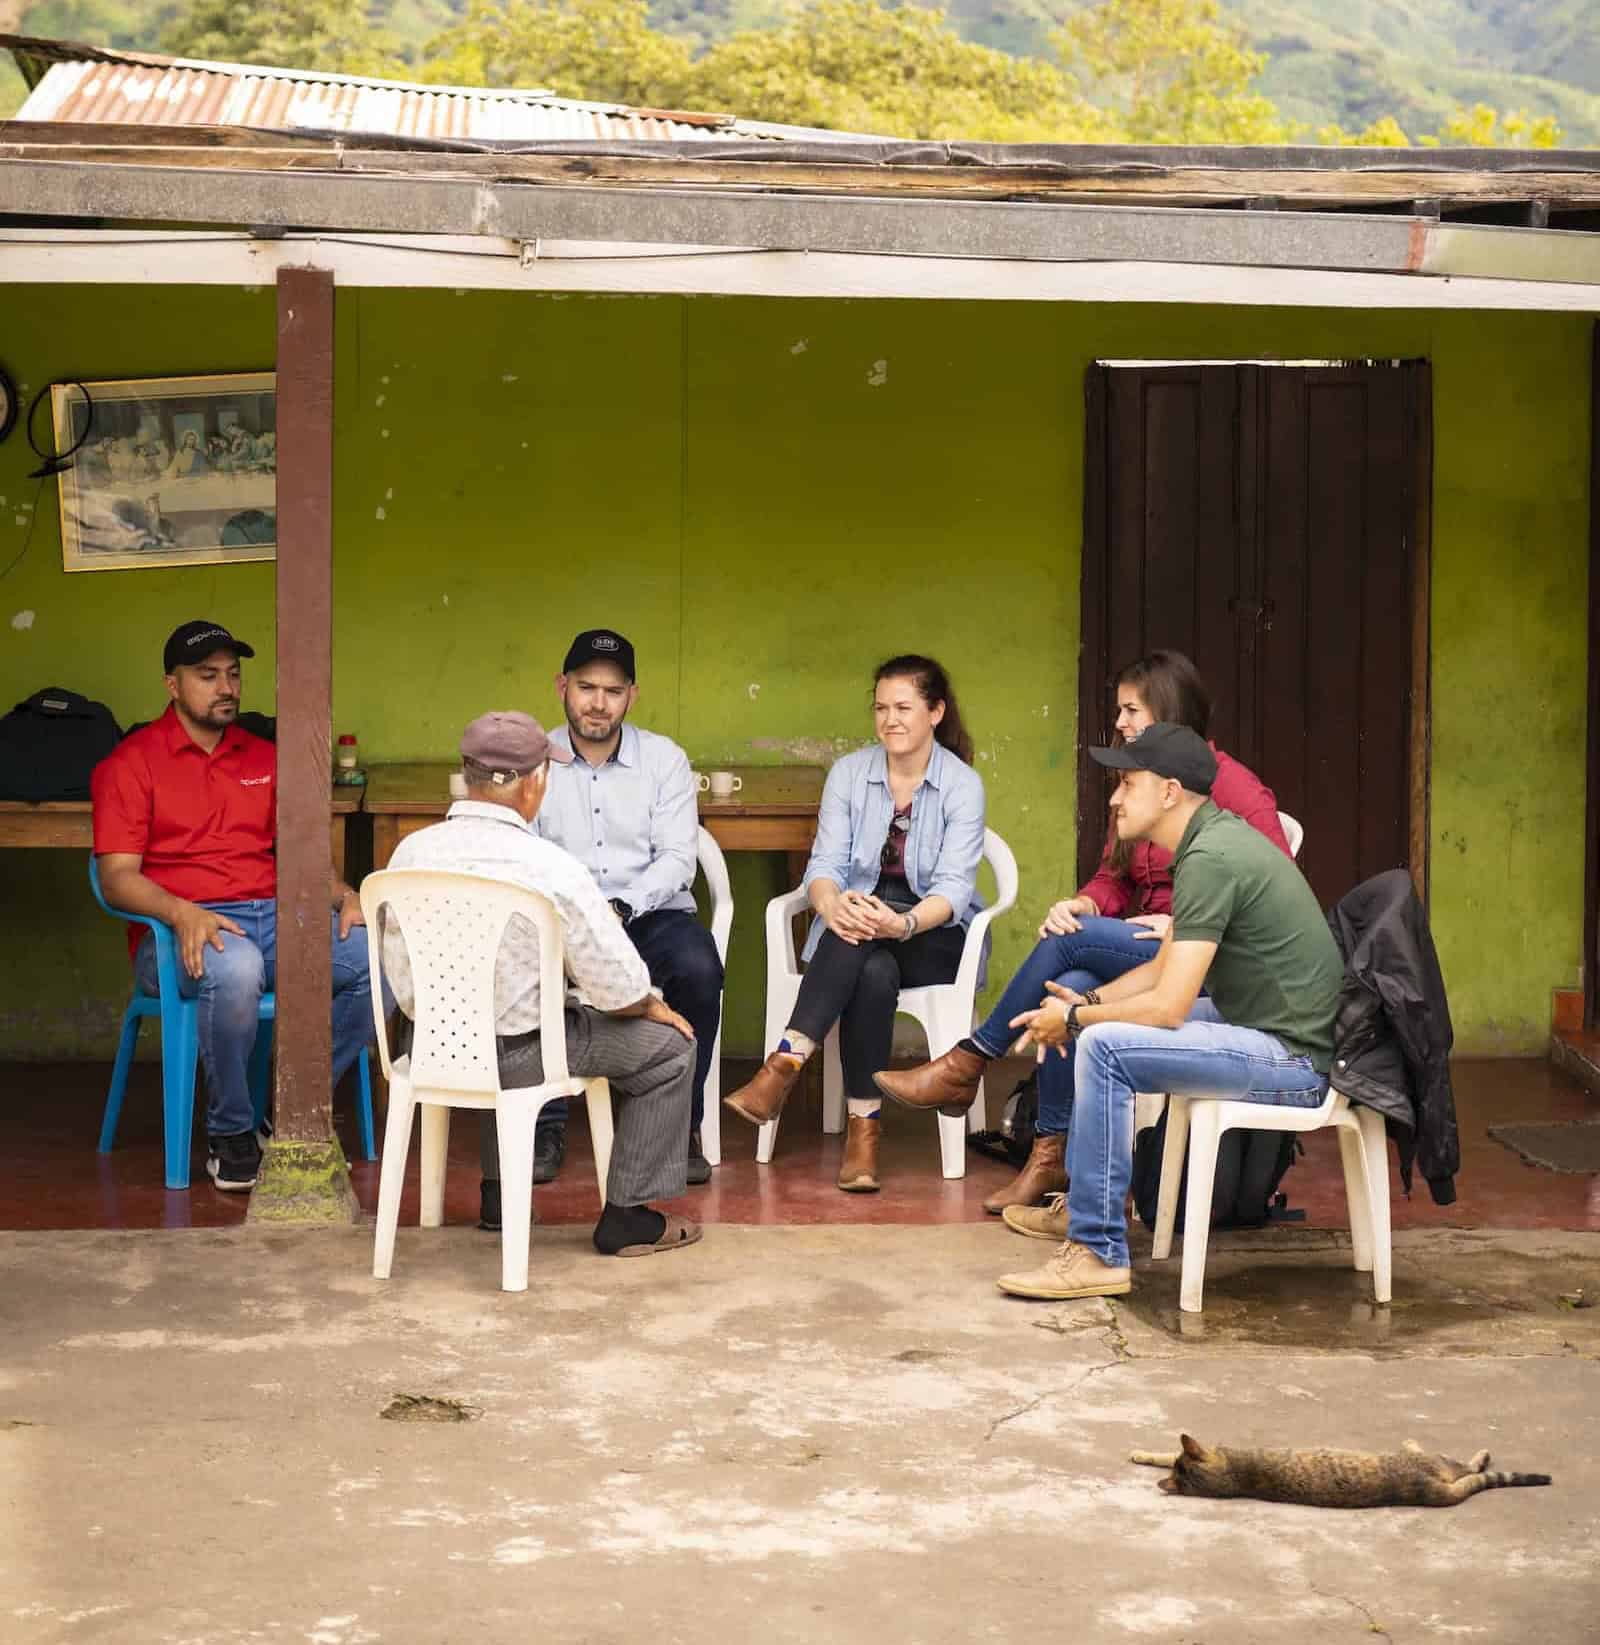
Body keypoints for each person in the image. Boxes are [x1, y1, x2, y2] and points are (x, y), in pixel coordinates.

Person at [875, 649, 1291, 1215]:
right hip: (1144, 950)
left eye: (1131, 710)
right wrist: (1084, 902)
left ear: (1167, 712)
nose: (1119, 722)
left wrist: (1185, 922)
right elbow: (1113, 875)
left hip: (1204, 960)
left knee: (1068, 945)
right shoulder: (1142, 779)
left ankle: (970, 1060)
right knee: (1068, 983)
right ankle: (1048, 1156)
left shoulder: (1231, 785)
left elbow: (1273, 887)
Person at [983, 723, 1342, 1299]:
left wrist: (1074, 1022)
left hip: (1293, 1060)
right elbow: (1160, 969)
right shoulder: (1210, 843)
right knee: (1099, 1030)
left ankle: (1098, 1250)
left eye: (1128, 783)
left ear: (1170, 792)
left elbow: (1169, 1007)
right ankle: (1085, 1212)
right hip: (1266, 1032)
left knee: (1104, 1047)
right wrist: (1088, 1002)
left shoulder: (1212, 857)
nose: (1115, 798)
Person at [379, 711, 702, 1257]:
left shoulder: (411, 853)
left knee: (494, 1009)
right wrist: (647, 1004)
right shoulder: (550, 866)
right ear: (534, 783)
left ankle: (499, 1197)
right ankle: (628, 1218)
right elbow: (616, 985)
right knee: (670, 1050)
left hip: (429, 1045)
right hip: (520, 1057)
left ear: (467, 777)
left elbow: (399, 963)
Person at [91, 620, 377, 1192]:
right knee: (238, 968)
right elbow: (117, 878)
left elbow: (302, 860)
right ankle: (231, 1133)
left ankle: (291, 1109)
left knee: (378, 958)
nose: (226, 688)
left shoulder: (266, 758)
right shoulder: (131, 763)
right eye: (207, 676)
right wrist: (181, 912)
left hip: (274, 920)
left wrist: (346, 896)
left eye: (233, 674)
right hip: (177, 934)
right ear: (172, 685)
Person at [721, 655, 985, 1192]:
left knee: (862, 946)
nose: (890, 720)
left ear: (935, 712)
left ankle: (785, 1065)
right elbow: (823, 866)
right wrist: (830, 907)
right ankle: (863, 1136)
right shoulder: (849, 774)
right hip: (860, 923)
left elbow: (954, 892)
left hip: (932, 933)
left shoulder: (962, 785)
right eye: (881, 708)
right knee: (870, 968)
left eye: (904, 708)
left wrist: (901, 924)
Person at [528, 629, 725, 1188]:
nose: (598, 703)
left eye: (613, 691)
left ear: (632, 696)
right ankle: (545, 1123)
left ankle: (679, 1127)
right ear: (562, 687)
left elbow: (678, 859)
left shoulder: (664, 760)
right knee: (528, 968)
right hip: (563, 917)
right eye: (586, 687)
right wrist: (579, 913)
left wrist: (622, 905)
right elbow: (524, 852)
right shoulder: (534, 761)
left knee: (699, 970)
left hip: (649, 913)